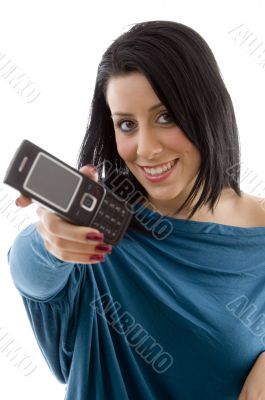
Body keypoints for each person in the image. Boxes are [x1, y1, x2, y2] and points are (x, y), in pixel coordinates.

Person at [7, 20, 265, 399]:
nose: (145, 149)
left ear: (208, 110)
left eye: (165, 117)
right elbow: (31, 276)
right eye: (126, 124)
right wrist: (48, 243)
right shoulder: (102, 229)